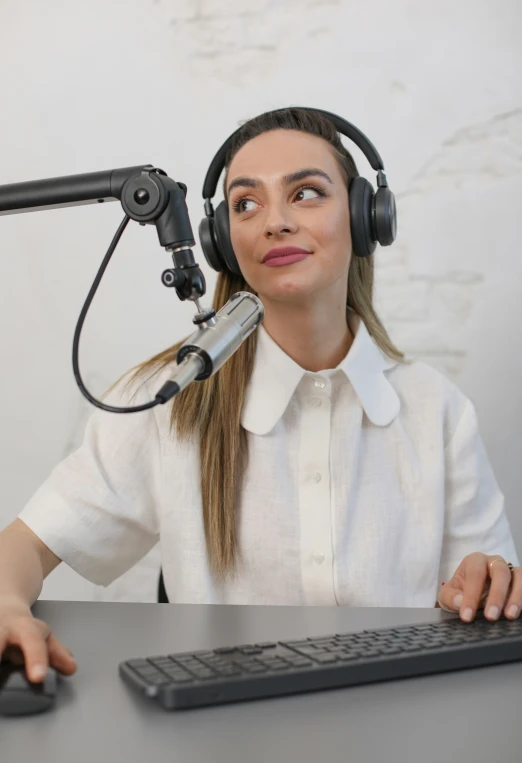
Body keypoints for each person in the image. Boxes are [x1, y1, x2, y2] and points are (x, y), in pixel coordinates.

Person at [0, 107, 520, 685]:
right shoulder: (170, 398)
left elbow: (486, 585)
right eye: (246, 204)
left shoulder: (438, 412)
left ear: (364, 216)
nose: (274, 222)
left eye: (306, 193)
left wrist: (486, 584)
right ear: (222, 240)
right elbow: (24, 546)